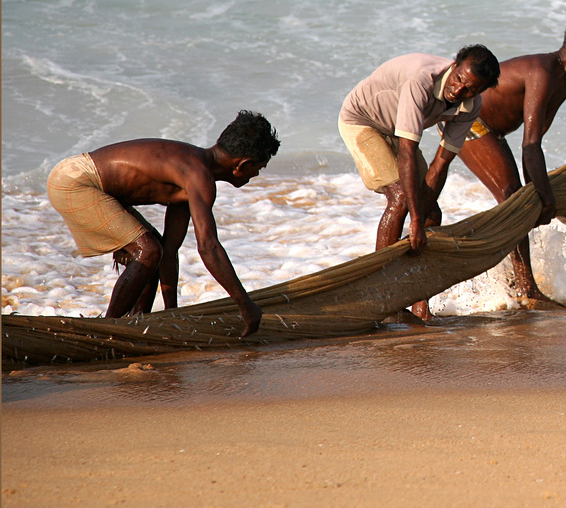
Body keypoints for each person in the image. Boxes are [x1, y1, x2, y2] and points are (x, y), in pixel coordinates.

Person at [45, 110, 281, 336]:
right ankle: (107, 331)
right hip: (76, 180)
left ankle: (137, 323)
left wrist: (172, 312)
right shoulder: (198, 176)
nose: (257, 175)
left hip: (85, 179)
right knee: (147, 251)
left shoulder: (192, 174)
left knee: (154, 250)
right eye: (259, 168)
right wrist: (246, 305)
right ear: (242, 164)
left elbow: (169, 251)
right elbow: (209, 247)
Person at [454, 17, 566, 305]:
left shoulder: (563, 84)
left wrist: (536, 193)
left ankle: (519, 284)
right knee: (511, 198)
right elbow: (530, 145)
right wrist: (545, 198)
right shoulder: (543, 73)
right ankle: (525, 288)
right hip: (469, 121)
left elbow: (533, 145)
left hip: (493, 131)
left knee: (519, 196)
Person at [338, 46, 501, 306]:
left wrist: (421, 215)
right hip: (363, 121)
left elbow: (441, 163)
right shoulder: (420, 80)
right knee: (402, 199)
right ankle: (379, 295)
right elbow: (407, 149)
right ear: (454, 64)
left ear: (480, 91)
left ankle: (418, 302)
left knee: (431, 214)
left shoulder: (471, 106)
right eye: (458, 79)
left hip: (399, 132)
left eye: (470, 89)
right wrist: (414, 218)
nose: (458, 91)